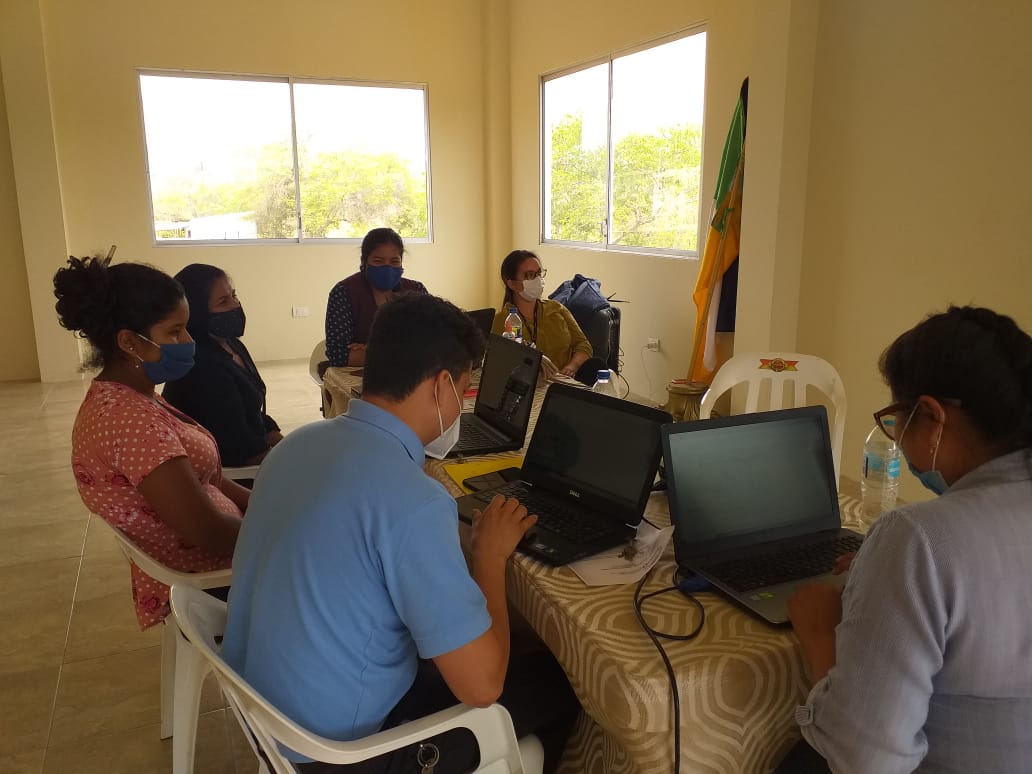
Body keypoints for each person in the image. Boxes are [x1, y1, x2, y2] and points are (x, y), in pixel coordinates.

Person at [222, 294, 579, 773]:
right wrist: (489, 558)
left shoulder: (296, 445)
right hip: (338, 754)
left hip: (265, 715)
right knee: (558, 684)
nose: (460, 407)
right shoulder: (414, 502)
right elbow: (482, 687)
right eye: (464, 391)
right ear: (442, 385)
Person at [780, 306, 1032, 774]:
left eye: (897, 418)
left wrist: (819, 637)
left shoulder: (918, 538)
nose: (894, 437)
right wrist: (887, 577)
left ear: (932, 417)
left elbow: (865, 759)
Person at [54, 256, 248, 629]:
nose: (188, 342)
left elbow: (208, 480)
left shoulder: (135, 396)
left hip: (225, 558)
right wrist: (285, 533)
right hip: (213, 584)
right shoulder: (130, 424)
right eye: (175, 332)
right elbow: (208, 533)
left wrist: (268, 508)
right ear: (129, 342)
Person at [162, 264, 282, 467]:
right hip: (230, 469)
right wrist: (292, 458)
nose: (235, 306)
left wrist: (288, 444)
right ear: (197, 310)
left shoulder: (231, 344)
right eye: (223, 302)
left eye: (234, 296)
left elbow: (252, 413)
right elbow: (242, 451)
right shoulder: (202, 367)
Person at [490, 250, 600, 384]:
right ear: (512, 284)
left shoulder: (557, 308)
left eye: (539, 273)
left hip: (568, 381)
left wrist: (572, 367)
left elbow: (583, 344)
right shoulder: (504, 320)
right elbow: (501, 363)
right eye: (530, 275)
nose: (537, 279)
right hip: (532, 386)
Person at [325, 227, 428, 367]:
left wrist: (371, 351)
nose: (387, 268)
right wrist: (407, 352)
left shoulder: (417, 291)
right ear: (364, 261)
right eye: (378, 261)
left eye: (394, 261)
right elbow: (338, 355)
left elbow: (433, 342)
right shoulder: (344, 293)